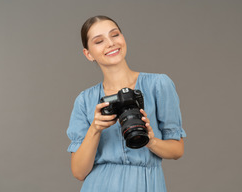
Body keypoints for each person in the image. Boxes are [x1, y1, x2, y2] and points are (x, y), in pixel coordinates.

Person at [66, 15, 186, 192]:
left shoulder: (158, 85)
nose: (110, 43)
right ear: (88, 54)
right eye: (99, 41)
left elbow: (177, 150)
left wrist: (151, 141)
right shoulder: (85, 100)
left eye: (115, 35)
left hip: (146, 184)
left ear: (123, 38)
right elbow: (79, 172)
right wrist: (95, 129)